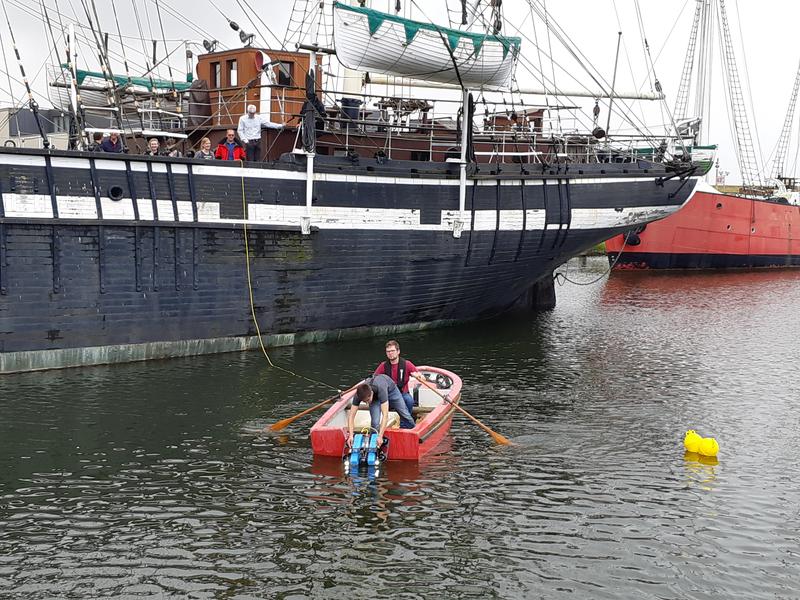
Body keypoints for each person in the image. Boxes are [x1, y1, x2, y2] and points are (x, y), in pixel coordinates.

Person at [347, 374, 416, 448]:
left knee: (405, 414)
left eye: (367, 400)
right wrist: (351, 435)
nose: (367, 403)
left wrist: (380, 435)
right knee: (375, 422)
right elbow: (351, 416)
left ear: (372, 394)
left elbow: (385, 415)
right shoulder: (358, 395)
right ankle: (374, 444)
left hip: (391, 391)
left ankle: (415, 432)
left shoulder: (381, 389)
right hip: (375, 397)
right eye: (364, 402)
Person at [374, 339, 423, 417]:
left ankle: (405, 424)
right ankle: (382, 422)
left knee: (409, 401)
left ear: (398, 351)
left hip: (402, 393)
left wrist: (418, 376)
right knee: (375, 402)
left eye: (392, 351)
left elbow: (422, 378)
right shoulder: (383, 365)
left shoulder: (407, 364)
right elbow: (374, 379)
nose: (390, 353)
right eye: (388, 351)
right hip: (388, 394)